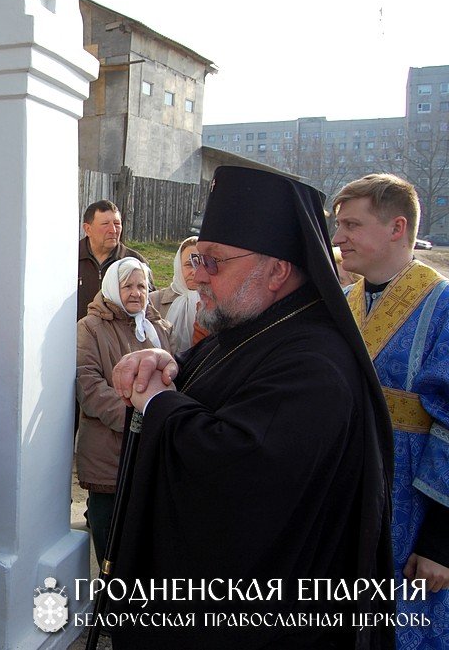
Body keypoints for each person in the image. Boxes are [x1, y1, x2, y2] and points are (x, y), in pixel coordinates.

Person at [109, 166, 394, 650]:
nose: (196, 276)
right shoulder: (251, 325)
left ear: (277, 270)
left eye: (214, 262)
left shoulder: (316, 362)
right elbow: (207, 386)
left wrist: (156, 402)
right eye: (197, 258)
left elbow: (238, 470)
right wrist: (167, 364)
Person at [332, 173, 449, 650]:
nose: (338, 238)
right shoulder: (344, 303)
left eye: (351, 225)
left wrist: (441, 542)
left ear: (397, 228)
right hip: (346, 507)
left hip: (415, 520)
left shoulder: (443, 305)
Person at [76, 257, 170, 567]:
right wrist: (139, 419)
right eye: (127, 285)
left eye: (142, 286)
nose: (135, 293)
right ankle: (110, 606)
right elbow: (89, 387)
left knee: (144, 539)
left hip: (151, 449)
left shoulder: (156, 328)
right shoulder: (90, 328)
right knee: (110, 540)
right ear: (111, 288)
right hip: (109, 456)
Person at [78, 200, 149, 322]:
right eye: (105, 224)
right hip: (74, 336)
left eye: (117, 223)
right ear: (88, 229)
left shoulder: (134, 262)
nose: (113, 230)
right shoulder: (69, 261)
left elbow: (148, 307)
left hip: (120, 338)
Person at [148, 236, 207, 354]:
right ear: (178, 266)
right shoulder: (154, 301)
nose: (194, 271)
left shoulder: (217, 302)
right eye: (189, 264)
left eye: (200, 264)